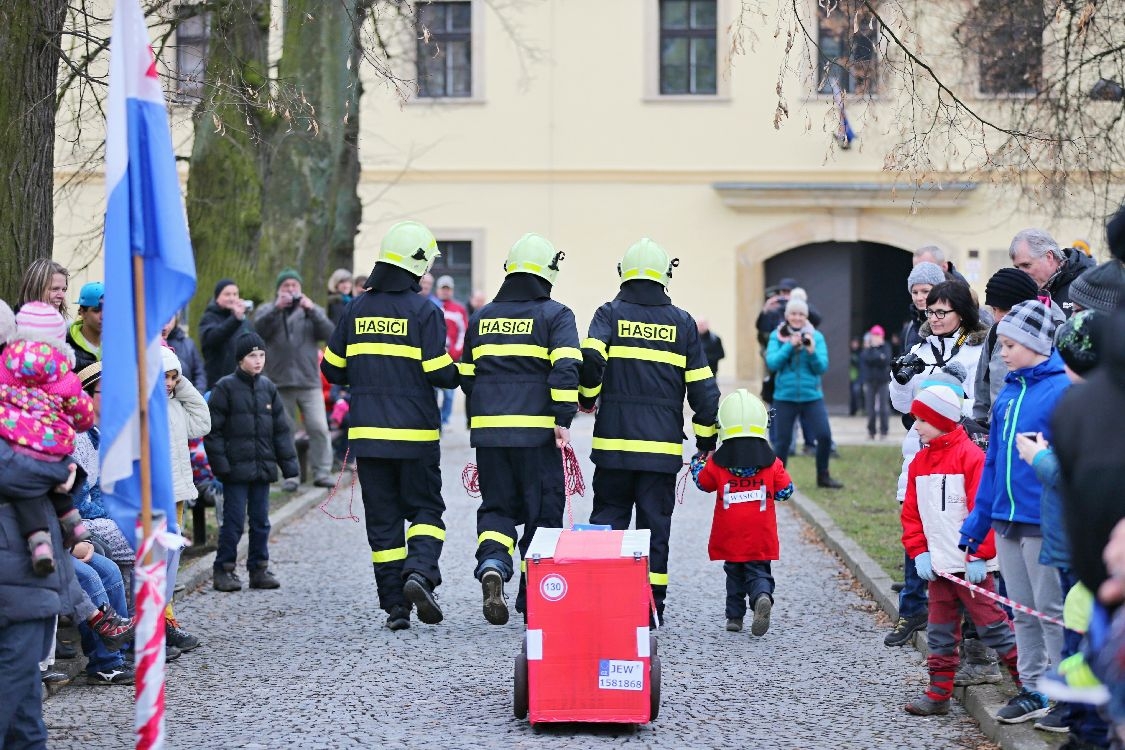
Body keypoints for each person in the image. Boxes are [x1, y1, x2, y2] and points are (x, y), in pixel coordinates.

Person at [321, 220, 459, 630]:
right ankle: (419, 573)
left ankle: (395, 607)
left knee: (382, 521)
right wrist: (469, 372)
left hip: (368, 435)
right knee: (426, 509)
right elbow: (439, 372)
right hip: (414, 435)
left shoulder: (355, 308)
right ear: (415, 264)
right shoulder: (424, 311)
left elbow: (333, 367)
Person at [578, 238, 719, 623]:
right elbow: (705, 391)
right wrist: (706, 441)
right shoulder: (684, 323)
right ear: (666, 277)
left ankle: (605, 602)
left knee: (608, 521)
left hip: (613, 447)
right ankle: (649, 606)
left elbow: (590, 360)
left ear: (623, 273)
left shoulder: (607, 314)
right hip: (661, 451)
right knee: (655, 528)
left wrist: (587, 398)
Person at [458, 233, 580, 625]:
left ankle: (493, 564)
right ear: (548, 273)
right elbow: (565, 368)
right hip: (538, 435)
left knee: (497, 507)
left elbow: (467, 376)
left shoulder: (482, 316)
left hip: (491, 435)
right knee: (543, 512)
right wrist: (562, 417)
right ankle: (533, 594)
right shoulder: (556, 315)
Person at [960, 300, 1069, 724]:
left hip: (1043, 522)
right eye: (1001, 344)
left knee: (1050, 609)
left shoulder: (1062, 391)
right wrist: (977, 522)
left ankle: (1063, 692)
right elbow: (993, 464)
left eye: (1009, 344)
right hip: (1006, 521)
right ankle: (1032, 688)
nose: (1001, 353)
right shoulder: (1008, 393)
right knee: (1020, 609)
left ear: (1036, 344)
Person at [900, 382, 1021, 716]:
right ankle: (938, 694)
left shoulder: (972, 458)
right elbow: (911, 515)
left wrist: (979, 554)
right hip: (939, 569)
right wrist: (919, 552)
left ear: (942, 421)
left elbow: (983, 510)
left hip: (971, 569)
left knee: (994, 627)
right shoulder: (919, 464)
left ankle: (1030, 686)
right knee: (940, 632)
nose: (917, 427)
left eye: (922, 420)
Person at [885, 280, 990, 647]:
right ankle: (912, 609)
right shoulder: (920, 348)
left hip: (960, 456)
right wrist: (900, 379)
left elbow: (978, 406)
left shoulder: (978, 351)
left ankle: (968, 626)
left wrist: (953, 392)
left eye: (942, 311)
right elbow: (902, 406)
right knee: (916, 532)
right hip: (921, 455)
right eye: (930, 312)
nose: (935, 318)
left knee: (957, 534)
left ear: (962, 312)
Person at [0, 302, 96, 574]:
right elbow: (83, 413)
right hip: (53, 450)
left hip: (15, 447)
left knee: (26, 489)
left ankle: (40, 545)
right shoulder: (63, 373)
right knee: (57, 477)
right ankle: (75, 525)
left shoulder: (5, 364)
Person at [689, 389, 793, 635]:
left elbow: (703, 483)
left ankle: (734, 617)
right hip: (761, 534)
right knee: (758, 570)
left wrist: (698, 461)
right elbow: (786, 491)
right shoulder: (772, 464)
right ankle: (761, 597)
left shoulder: (717, 464)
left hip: (730, 534)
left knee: (734, 572)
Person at [205, 332, 299, 592]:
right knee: (233, 523)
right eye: (251, 356)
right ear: (240, 359)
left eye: (261, 355)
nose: (258, 361)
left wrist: (290, 467)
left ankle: (259, 569)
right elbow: (213, 432)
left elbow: (281, 430)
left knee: (261, 522)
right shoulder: (225, 388)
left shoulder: (269, 388)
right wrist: (221, 466)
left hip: (262, 469)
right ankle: (223, 569)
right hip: (235, 471)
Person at [254, 268, 337, 489]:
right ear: (278, 290)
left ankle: (322, 472)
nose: (290, 290)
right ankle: (289, 476)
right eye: (286, 286)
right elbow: (257, 331)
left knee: (319, 427)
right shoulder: (267, 309)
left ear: (300, 289)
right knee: (284, 431)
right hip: (278, 381)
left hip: (309, 380)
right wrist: (275, 309)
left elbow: (330, 333)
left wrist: (313, 311)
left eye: (294, 286)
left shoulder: (311, 310)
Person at [765, 297, 843, 488]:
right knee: (782, 443)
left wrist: (811, 351)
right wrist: (789, 347)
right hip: (784, 397)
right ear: (786, 315)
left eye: (801, 314)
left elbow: (821, 367)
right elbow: (772, 363)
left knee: (824, 436)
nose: (797, 317)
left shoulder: (816, 337)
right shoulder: (776, 336)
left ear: (806, 316)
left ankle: (823, 476)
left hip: (811, 397)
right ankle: (777, 481)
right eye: (793, 313)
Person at [161, 346, 209, 652]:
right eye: (163, 377)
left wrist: (182, 384)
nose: (168, 383)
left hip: (177, 493)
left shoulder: (176, 404)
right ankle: (158, 622)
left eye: (172, 377)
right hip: (156, 496)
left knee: (171, 561)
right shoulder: (145, 408)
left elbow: (202, 422)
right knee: (158, 560)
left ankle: (167, 618)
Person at [972, 267, 1046, 427]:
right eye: (994, 309)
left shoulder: (1050, 338)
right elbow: (982, 392)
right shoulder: (994, 334)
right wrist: (980, 428)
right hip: (996, 433)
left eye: (1004, 310)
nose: (997, 317)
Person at [1009, 228, 1095, 317]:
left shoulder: (1089, 283)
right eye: (1017, 267)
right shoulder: (1022, 289)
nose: (1021, 273)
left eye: (1026, 265)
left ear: (1049, 257)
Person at [199, 278, 254, 389]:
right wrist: (235, 320)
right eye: (227, 294)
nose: (232, 298)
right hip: (218, 383)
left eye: (235, 294)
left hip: (242, 382)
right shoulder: (209, 318)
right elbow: (212, 339)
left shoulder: (244, 321)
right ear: (217, 298)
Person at [434, 275, 469, 429]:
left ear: (452, 290)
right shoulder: (431, 305)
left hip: (452, 358)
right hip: (433, 357)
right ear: (438, 290)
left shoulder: (459, 309)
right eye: (443, 288)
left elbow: (464, 332)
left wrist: (455, 351)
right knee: (433, 392)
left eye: (448, 289)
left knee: (449, 393)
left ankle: (445, 420)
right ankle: (436, 420)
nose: (445, 292)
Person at [901, 261, 946, 354]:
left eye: (925, 291)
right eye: (915, 292)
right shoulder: (908, 329)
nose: (919, 298)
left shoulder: (951, 325)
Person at [860, 325, 892, 440]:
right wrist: (878, 355)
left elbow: (886, 360)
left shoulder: (886, 347)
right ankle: (871, 431)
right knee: (870, 408)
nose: (876, 338)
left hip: (883, 381)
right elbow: (865, 359)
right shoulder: (868, 348)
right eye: (874, 335)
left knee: (883, 407)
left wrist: (877, 356)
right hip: (870, 381)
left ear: (882, 336)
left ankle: (884, 431)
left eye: (878, 335)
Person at [161, 312, 206, 392]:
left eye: (168, 319)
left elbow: (199, 374)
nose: (165, 326)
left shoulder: (188, 344)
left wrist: (196, 396)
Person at [66, 281, 103, 373]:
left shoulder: (117, 344)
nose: (103, 316)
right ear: (82, 312)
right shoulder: (65, 346)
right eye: (97, 310)